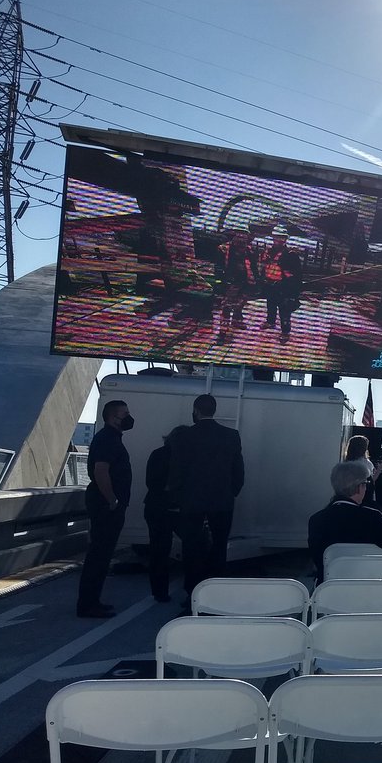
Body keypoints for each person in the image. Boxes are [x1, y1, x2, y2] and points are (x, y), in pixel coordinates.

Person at [169, 393, 245, 600]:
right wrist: (232, 491)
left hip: (191, 501)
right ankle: (217, 589)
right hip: (222, 500)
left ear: (195, 410)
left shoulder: (184, 436)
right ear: (214, 410)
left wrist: (176, 497)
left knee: (191, 547)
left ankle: (193, 592)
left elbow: (177, 470)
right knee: (220, 545)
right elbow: (238, 469)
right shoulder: (231, 435)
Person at [78, 400, 135, 617]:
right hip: (105, 506)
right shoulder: (108, 440)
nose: (129, 417)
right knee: (99, 555)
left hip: (106, 505)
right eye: (125, 413)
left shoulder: (110, 439)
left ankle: (93, 601)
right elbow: (101, 471)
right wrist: (112, 500)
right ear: (113, 417)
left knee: (102, 555)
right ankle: (88, 604)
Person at [143, 427, 187, 603]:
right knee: (194, 546)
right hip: (176, 510)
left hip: (155, 507)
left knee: (159, 551)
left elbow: (150, 482)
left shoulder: (157, 454)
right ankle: (193, 588)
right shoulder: (185, 458)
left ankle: (159, 592)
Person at [261, 225, 302, 341]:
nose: (279, 240)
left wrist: (294, 293)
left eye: (282, 238)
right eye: (277, 237)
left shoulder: (291, 254)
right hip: (269, 284)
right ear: (273, 238)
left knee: (284, 310)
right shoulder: (268, 252)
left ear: (285, 239)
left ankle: (285, 331)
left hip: (283, 286)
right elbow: (264, 267)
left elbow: (297, 275)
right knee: (270, 305)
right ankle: (270, 322)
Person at [215, 229, 256, 342]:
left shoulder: (249, 250)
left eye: (245, 234)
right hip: (230, 283)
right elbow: (218, 267)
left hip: (245, 282)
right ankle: (222, 333)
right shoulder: (224, 249)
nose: (242, 237)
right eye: (240, 234)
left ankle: (236, 321)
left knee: (240, 303)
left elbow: (253, 267)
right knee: (226, 307)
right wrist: (219, 283)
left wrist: (255, 282)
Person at [344, 434, 382, 509]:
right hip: (365, 496)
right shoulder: (365, 463)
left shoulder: (347, 463)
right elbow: (371, 481)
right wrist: (379, 469)